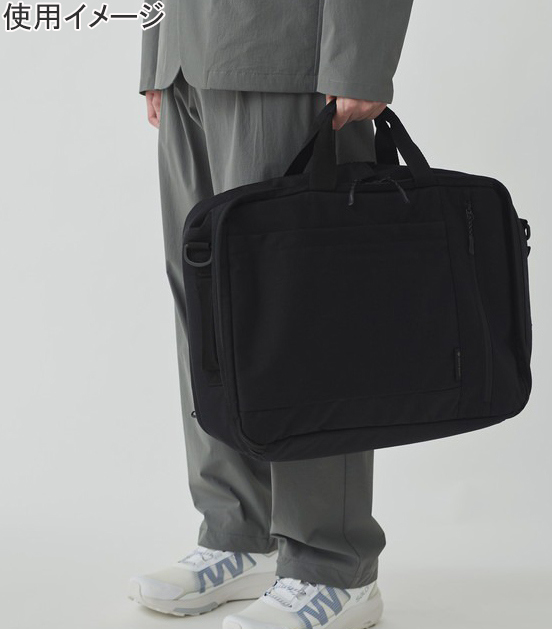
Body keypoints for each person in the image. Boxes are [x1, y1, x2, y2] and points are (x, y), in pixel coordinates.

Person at [128, 2, 414, 627]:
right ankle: (238, 532)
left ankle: (332, 565)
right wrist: (156, 57)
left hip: (289, 57)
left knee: (300, 311)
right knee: (208, 309)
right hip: (185, 60)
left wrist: (360, 60)